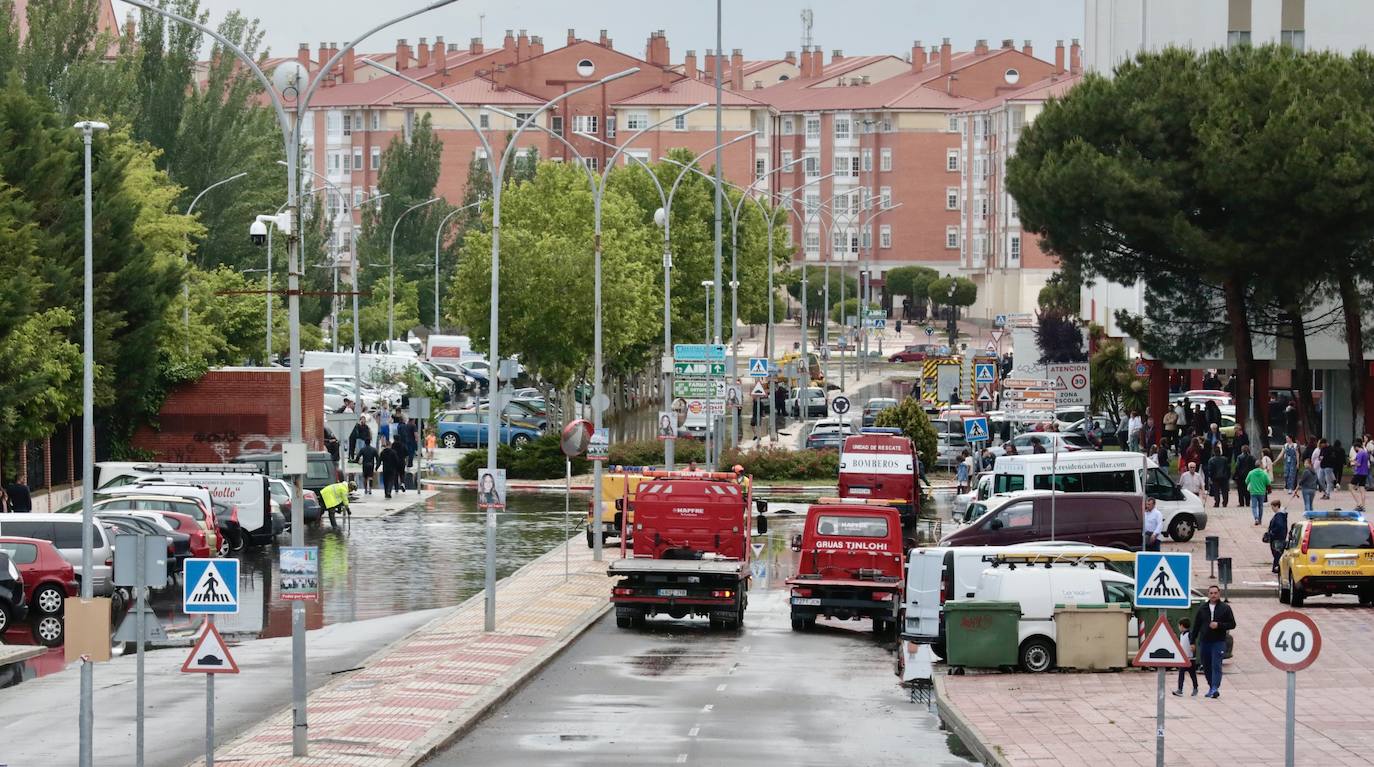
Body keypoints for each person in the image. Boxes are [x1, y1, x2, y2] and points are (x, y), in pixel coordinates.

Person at [1189, 585, 1235, 698]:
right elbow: (1196, 626)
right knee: (1207, 665)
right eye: (1211, 593)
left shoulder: (1225, 608)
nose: (1213, 595)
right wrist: (1192, 641)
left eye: (1215, 593)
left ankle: (1215, 687)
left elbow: (1232, 624)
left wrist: (1219, 625)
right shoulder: (1202, 609)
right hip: (1205, 641)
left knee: (1216, 665)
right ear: (1208, 594)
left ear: (1219, 594)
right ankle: (1211, 686)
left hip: (1218, 641)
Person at [1171, 617, 1199, 697]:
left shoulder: (1189, 634)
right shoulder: (1181, 635)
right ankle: (1180, 689)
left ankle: (1195, 688)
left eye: (1179, 626)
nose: (1179, 628)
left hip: (1190, 659)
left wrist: (1193, 650)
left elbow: (1192, 644)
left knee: (1192, 674)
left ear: (1182, 626)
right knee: (1181, 674)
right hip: (1183, 659)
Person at [1245, 456, 1271, 526]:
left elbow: (1246, 481)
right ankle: (1260, 520)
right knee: (1260, 506)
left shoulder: (1251, 473)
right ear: (1261, 465)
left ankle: (1256, 518)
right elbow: (1268, 482)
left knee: (1254, 506)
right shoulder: (1264, 473)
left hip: (1253, 492)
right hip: (1262, 492)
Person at [1265, 500, 1288, 573]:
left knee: (1277, 554)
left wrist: (1272, 532)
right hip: (1279, 538)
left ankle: (1276, 568)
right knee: (1277, 554)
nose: (1272, 509)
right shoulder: (1281, 515)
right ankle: (1276, 567)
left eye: (1272, 507)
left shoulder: (1279, 516)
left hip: (1277, 538)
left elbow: (1279, 526)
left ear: (1276, 506)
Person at [1233, 445, 1256, 509]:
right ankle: (1248, 502)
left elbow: (1237, 467)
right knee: (1248, 489)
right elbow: (1254, 466)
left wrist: (1235, 475)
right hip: (1249, 475)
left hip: (1241, 476)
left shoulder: (1239, 457)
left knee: (1240, 490)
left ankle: (1241, 502)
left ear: (1242, 450)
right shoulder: (1252, 458)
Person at [1351, 440, 1369, 511]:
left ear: (1356, 447)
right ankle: (1363, 505)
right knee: (1362, 489)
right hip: (1365, 473)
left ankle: (1359, 504)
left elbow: (1358, 464)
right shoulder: (1365, 453)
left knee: (1350, 487)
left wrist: (1352, 461)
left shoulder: (1359, 453)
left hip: (1359, 473)